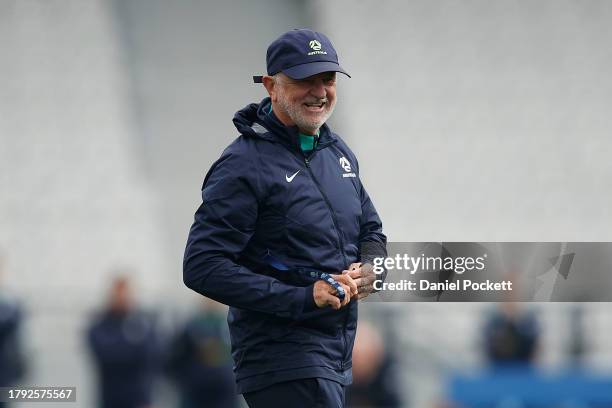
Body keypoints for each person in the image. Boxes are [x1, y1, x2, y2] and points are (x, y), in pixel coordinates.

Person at [183, 28, 387, 408]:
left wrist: (374, 268)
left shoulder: (338, 151)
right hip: (282, 358)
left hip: (334, 356)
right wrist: (303, 298)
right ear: (270, 86)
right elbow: (201, 266)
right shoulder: (243, 164)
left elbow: (371, 230)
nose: (320, 91)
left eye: (326, 79)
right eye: (304, 80)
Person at [87, 276, 161, 408]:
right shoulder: (100, 324)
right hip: (109, 399)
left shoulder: (143, 322)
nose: (122, 298)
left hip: (139, 399)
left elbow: (152, 355)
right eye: (118, 293)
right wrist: (132, 347)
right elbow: (107, 354)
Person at [164, 299, 237, 408]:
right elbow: (174, 359)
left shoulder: (230, 325)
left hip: (226, 392)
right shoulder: (192, 326)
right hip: (196, 392)